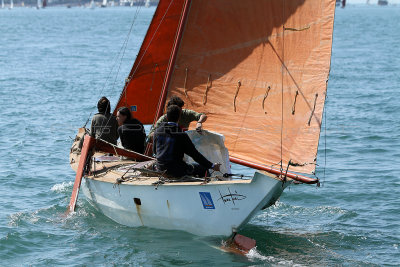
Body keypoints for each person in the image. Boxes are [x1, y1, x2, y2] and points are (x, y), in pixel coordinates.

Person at [153, 105, 220, 177]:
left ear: (166, 117)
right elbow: (195, 155)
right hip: (176, 171)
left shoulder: (157, 131)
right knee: (203, 170)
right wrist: (212, 166)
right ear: (179, 117)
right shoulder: (181, 135)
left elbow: (155, 151)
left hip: (160, 169)